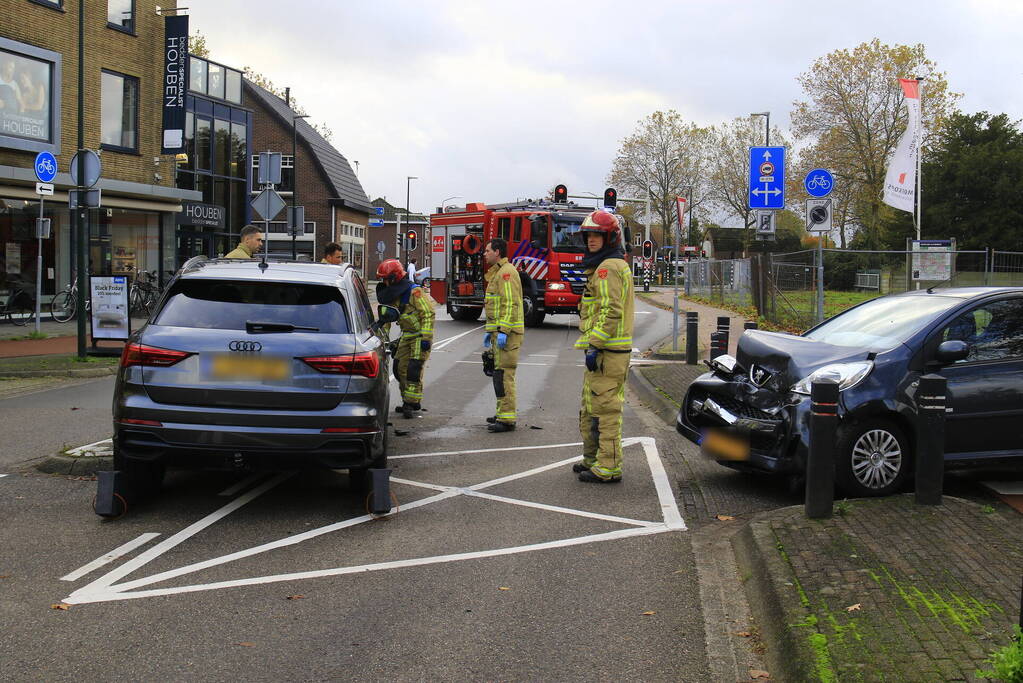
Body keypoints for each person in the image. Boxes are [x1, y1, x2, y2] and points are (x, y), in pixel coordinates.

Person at [572, 210, 634, 483]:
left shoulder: (608, 268)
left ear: (609, 238)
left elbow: (611, 311)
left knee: (606, 411)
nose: (591, 241)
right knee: (590, 408)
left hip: (609, 353)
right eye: (588, 236)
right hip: (601, 353)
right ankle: (593, 459)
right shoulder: (604, 267)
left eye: (597, 235)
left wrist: (595, 343)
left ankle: (608, 467)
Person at [376, 259, 435, 419]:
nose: (384, 283)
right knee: (399, 368)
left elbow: (428, 314)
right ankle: (408, 400)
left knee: (413, 369)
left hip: (419, 336)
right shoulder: (394, 293)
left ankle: (411, 403)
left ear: (394, 277)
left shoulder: (414, 291)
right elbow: (388, 316)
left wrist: (426, 337)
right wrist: (379, 334)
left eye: (386, 279)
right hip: (407, 335)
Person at [482, 238, 523, 433]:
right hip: (498, 333)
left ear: (497, 252)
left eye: (488, 250)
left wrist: (504, 331)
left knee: (504, 375)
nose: (485, 254)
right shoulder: (499, 273)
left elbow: (510, 304)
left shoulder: (506, 273)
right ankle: (502, 413)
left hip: (507, 335)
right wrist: (490, 331)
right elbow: (496, 306)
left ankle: (507, 419)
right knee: (499, 375)